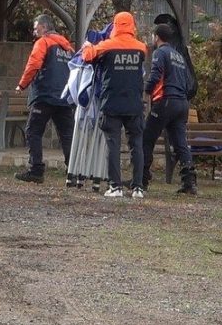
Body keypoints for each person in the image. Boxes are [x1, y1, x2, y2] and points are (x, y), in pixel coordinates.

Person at [80, 12, 148, 198]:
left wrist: (87, 45)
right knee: (137, 146)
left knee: (113, 145)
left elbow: (87, 57)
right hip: (134, 104)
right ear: (132, 26)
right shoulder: (141, 48)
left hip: (112, 103)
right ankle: (138, 187)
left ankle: (115, 187)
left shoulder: (107, 46)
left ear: (115, 25)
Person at [14, 15, 75, 183]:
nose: (34, 32)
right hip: (65, 98)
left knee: (33, 131)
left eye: (36, 28)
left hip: (45, 96)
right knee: (67, 135)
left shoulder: (44, 42)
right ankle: (73, 172)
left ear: (44, 27)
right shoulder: (68, 47)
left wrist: (22, 85)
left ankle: (36, 170)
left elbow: (34, 64)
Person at [142, 22, 197, 195]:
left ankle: (141, 178)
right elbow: (189, 81)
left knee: (146, 138)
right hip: (182, 104)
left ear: (157, 37)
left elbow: (155, 74)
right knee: (181, 143)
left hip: (166, 101)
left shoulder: (160, 53)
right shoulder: (178, 56)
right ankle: (189, 182)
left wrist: (146, 90)